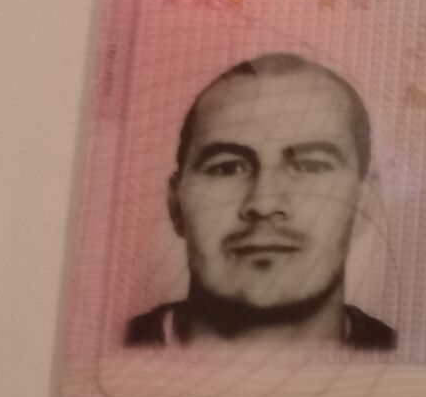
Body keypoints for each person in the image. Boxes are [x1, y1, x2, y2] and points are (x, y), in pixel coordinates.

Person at [125, 53, 396, 350]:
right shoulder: (111, 346)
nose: (264, 204)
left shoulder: (407, 360)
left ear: (364, 204)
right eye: (227, 168)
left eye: (310, 166)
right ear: (176, 204)